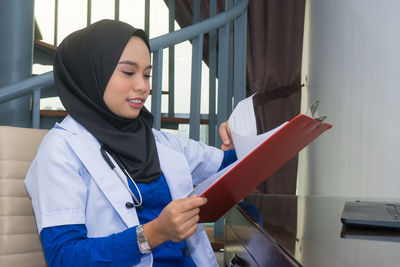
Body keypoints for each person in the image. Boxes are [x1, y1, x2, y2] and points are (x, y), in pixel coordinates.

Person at [25, 19, 236, 267]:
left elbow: (231, 167)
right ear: (91, 74)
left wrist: (236, 140)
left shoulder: (158, 141)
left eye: (147, 74)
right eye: (128, 72)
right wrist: (155, 233)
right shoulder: (61, 150)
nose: (143, 87)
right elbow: (64, 257)